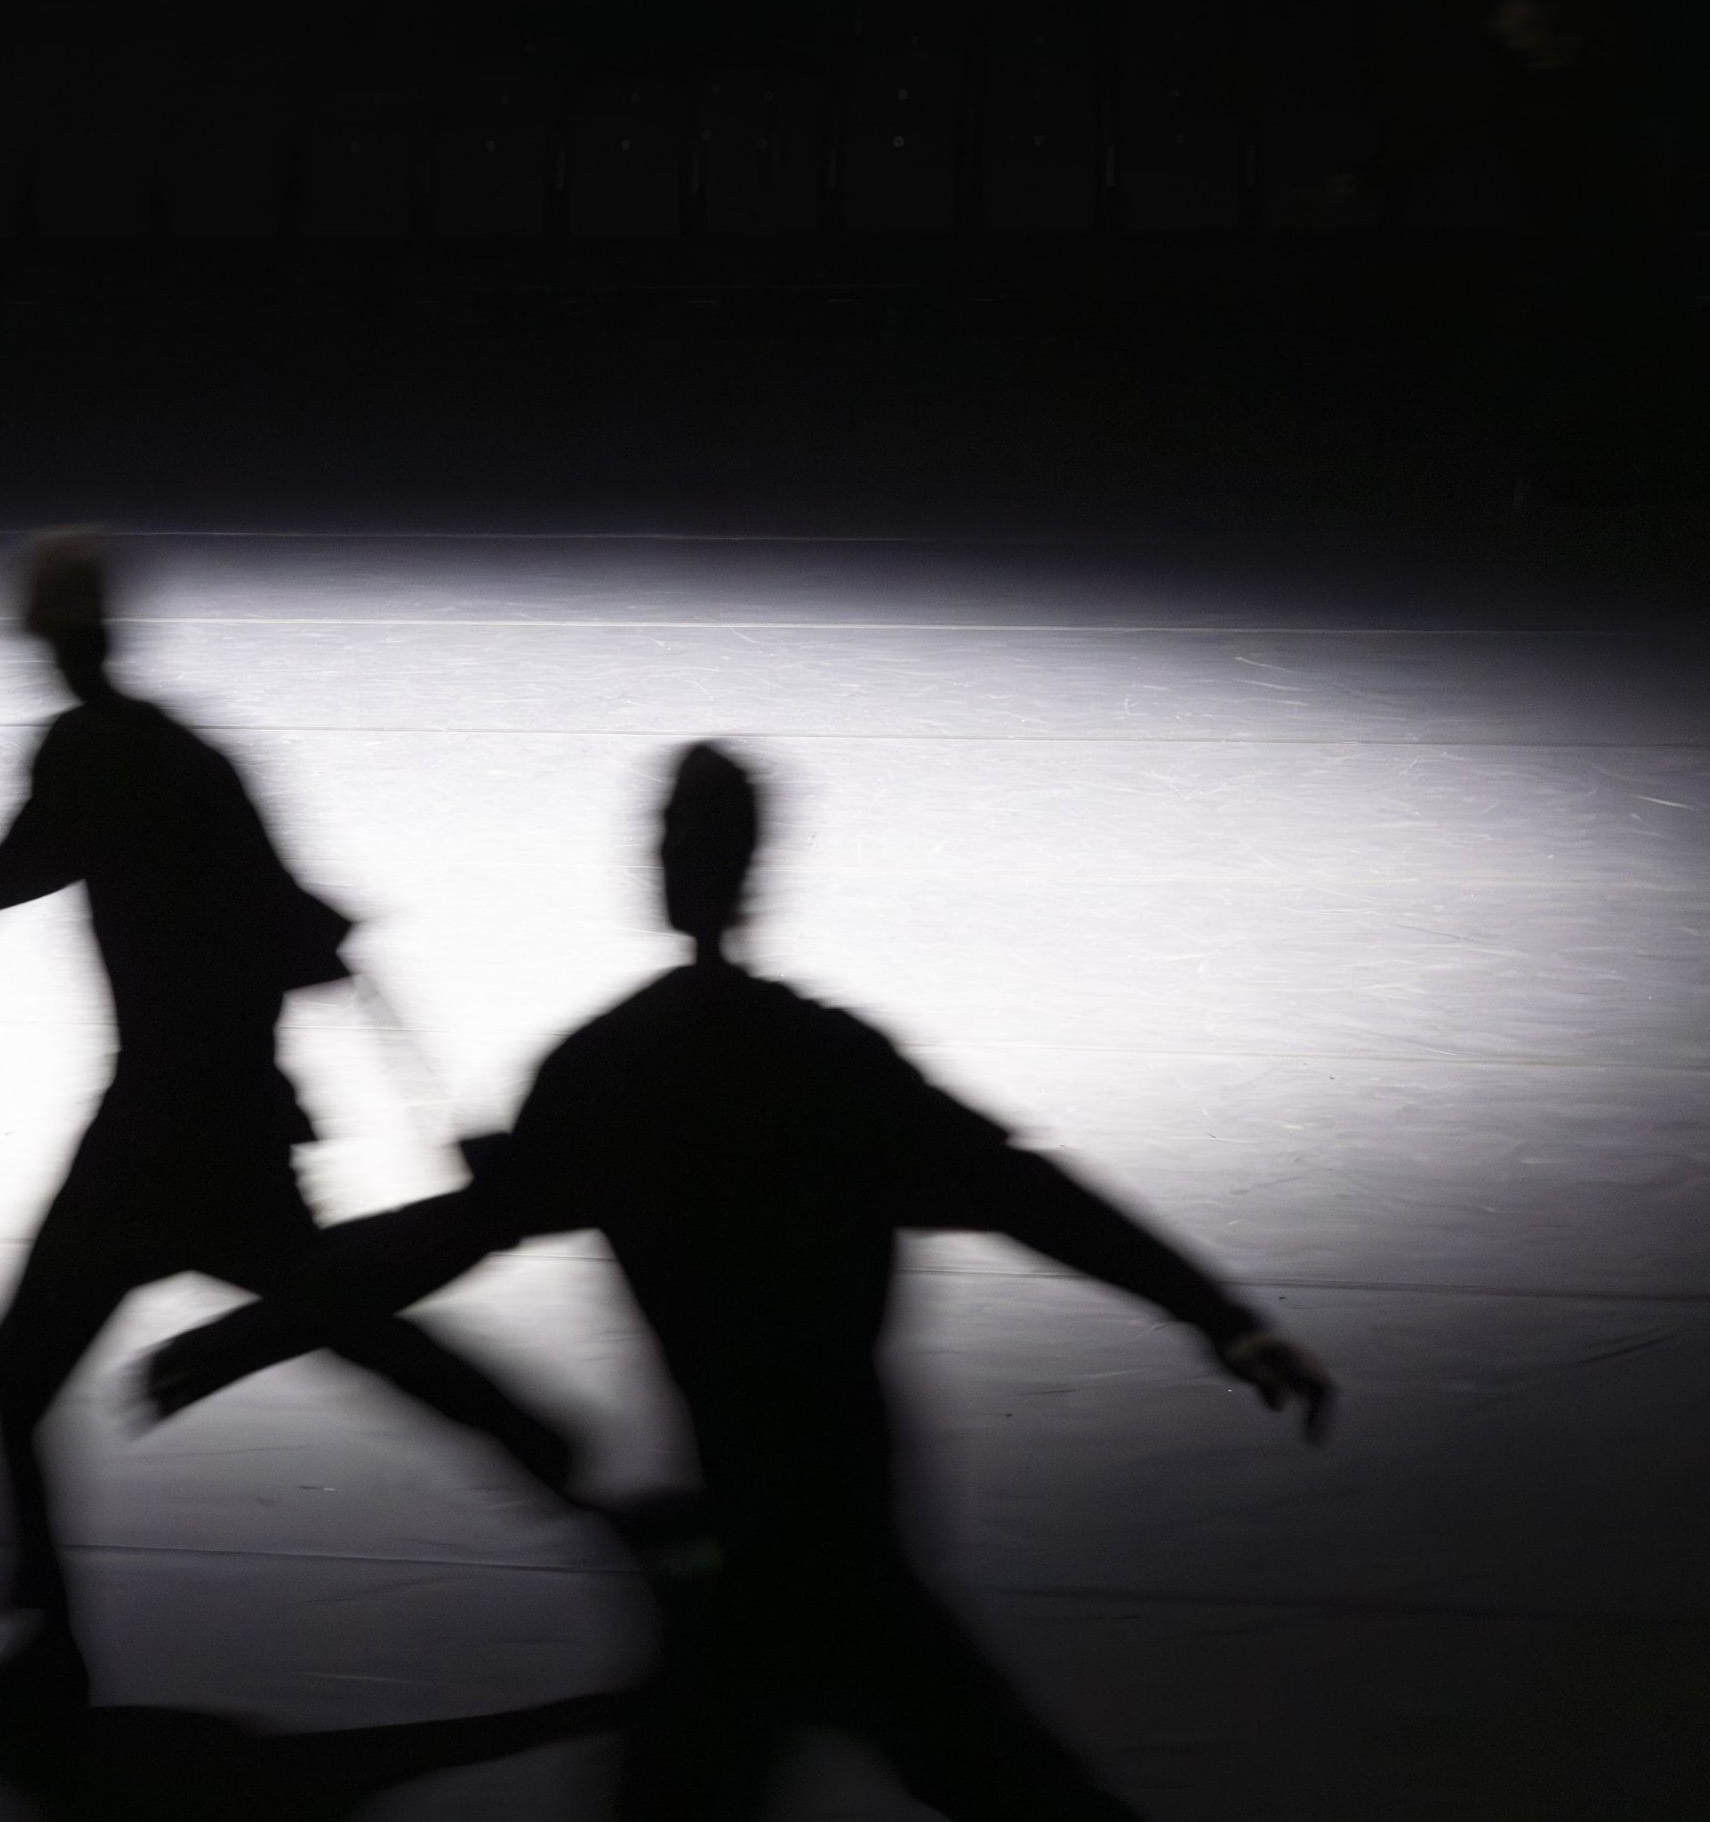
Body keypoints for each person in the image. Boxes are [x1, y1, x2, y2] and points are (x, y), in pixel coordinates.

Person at [140, 741, 1335, 1820]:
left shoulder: (607, 1074)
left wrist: (259, 1327)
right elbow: (1028, 1192)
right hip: (843, 1518)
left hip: (748, 1544)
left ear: (668, 870)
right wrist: (1218, 1315)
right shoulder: (828, 1063)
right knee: (991, 1776)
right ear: (760, 868)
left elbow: (446, 1237)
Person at [0, 531, 595, 1711]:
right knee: (341, 1319)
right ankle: (571, 1471)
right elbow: (304, 931)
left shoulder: (86, 756)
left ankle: (48, 1646)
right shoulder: (198, 758)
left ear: (55, 647)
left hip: (153, 1131)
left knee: (19, 1369)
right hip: (234, 1118)